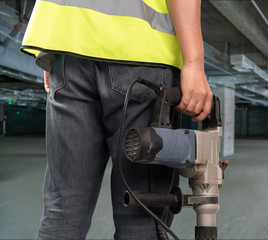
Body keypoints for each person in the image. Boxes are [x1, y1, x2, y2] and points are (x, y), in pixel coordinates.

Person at [21, 0, 212, 239]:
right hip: (141, 53)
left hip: (67, 51)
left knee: (63, 210)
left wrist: (49, 52)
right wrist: (193, 62)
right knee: (141, 213)